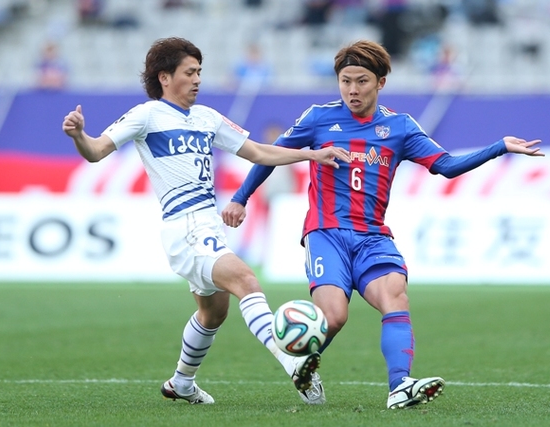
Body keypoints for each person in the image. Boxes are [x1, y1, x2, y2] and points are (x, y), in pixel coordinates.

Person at [222, 40, 545, 409]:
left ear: (381, 83)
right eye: (345, 81)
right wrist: (240, 198)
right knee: (333, 316)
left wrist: (499, 146)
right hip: (326, 234)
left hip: (373, 236)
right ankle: (300, 362)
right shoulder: (317, 119)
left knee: (395, 297)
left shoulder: (399, 127)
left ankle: (399, 385)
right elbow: (269, 155)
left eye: (361, 81)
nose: (352, 90)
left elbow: (445, 166)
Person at [61, 37, 350, 405]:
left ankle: (181, 382)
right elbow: (96, 151)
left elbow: (258, 152)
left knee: (213, 313)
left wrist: (311, 154)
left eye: (199, 71)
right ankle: (294, 363)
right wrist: (79, 135)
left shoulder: (207, 118)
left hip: (209, 226)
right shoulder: (147, 115)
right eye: (190, 72)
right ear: (165, 77)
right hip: (184, 227)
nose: (198, 79)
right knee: (246, 280)